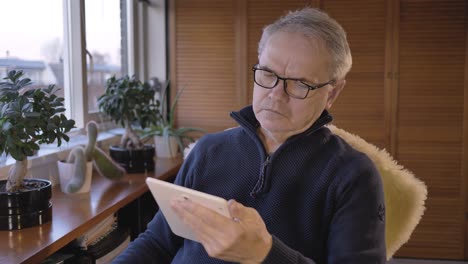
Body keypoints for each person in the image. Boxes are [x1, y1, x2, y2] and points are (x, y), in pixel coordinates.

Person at [114, 7, 386, 264]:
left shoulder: (353, 175)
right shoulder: (208, 151)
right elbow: (158, 243)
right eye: (267, 74)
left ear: (333, 93)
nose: (276, 96)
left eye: (300, 84)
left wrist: (265, 254)